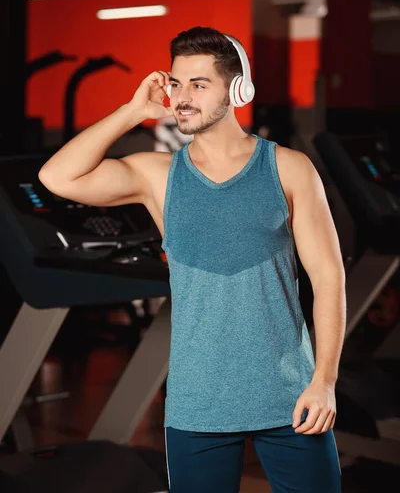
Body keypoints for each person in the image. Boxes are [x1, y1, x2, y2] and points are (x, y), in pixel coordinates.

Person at [39, 26, 346, 492]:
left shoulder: (288, 167)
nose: (182, 97)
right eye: (177, 83)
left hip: (291, 395)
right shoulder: (158, 175)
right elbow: (56, 177)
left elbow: (328, 279)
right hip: (197, 402)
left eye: (199, 85)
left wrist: (324, 380)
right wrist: (132, 112)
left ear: (237, 90)